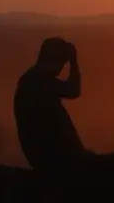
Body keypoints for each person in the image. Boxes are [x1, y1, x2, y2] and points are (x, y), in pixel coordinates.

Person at [13, 37, 85, 189]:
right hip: (51, 156)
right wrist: (74, 62)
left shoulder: (31, 81)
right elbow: (73, 90)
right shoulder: (39, 82)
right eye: (61, 62)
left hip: (44, 153)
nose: (60, 68)